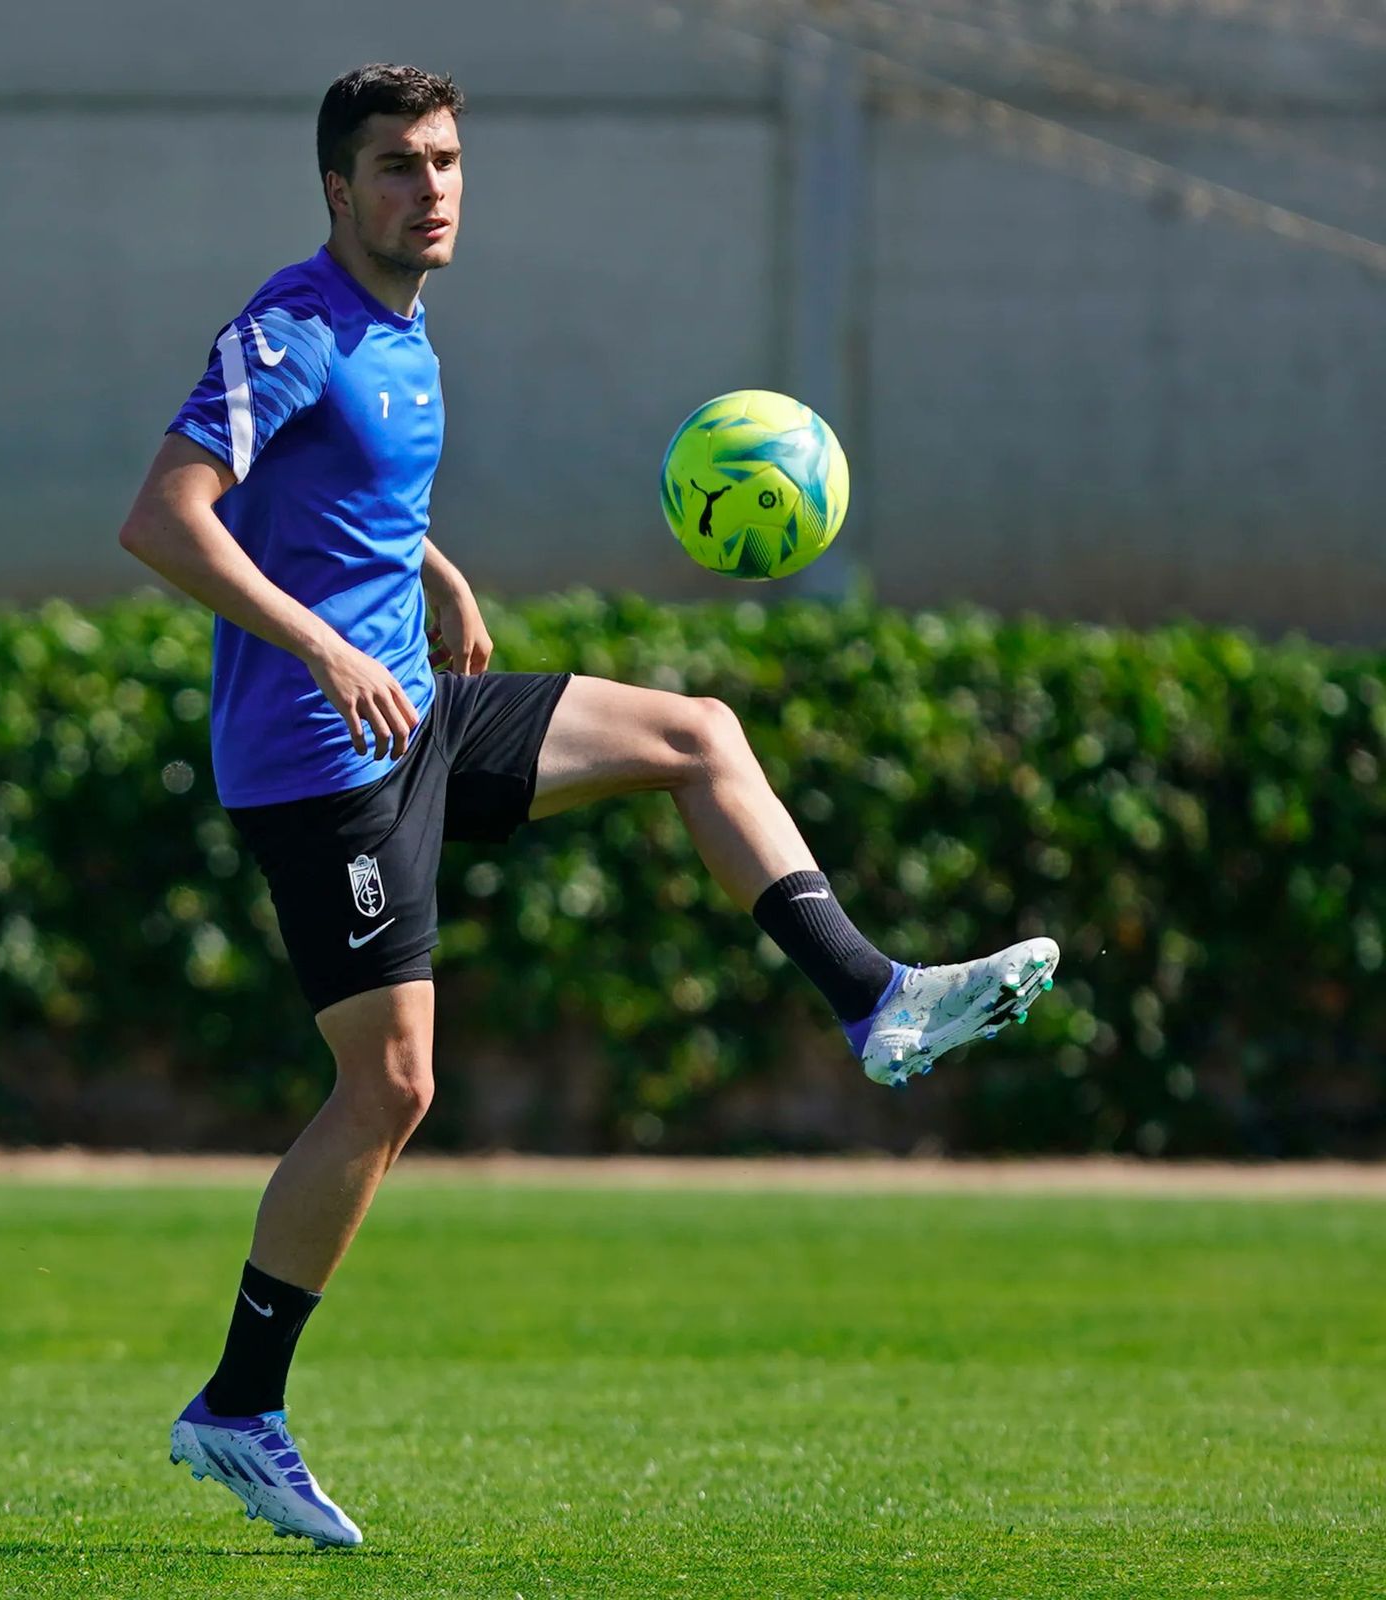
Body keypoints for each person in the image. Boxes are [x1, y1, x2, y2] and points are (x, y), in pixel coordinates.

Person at [117, 62, 1059, 1551]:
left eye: (444, 160)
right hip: (320, 758)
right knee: (392, 1090)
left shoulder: (405, 334)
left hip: (414, 715)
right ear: (336, 191)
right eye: (395, 166)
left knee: (699, 734)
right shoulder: (289, 326)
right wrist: (325, 640)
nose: (430, 187)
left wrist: (432, 573)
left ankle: (875, 999)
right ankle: (238, 1408)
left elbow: (348, 495)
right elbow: (164, 514)